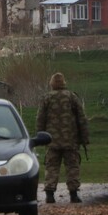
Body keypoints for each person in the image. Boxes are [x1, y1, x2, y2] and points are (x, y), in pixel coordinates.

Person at [36, 72, 89, 204]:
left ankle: (49, 194)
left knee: (51, 166)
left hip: (51, 140)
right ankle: (73, 194)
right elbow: (81, 118)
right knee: (72, 166)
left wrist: (40, 136)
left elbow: (40, 118)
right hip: (70, 140)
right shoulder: (72, 97)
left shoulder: (46, 98)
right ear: (64, 83)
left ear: (52, 83)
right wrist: (84, 138)